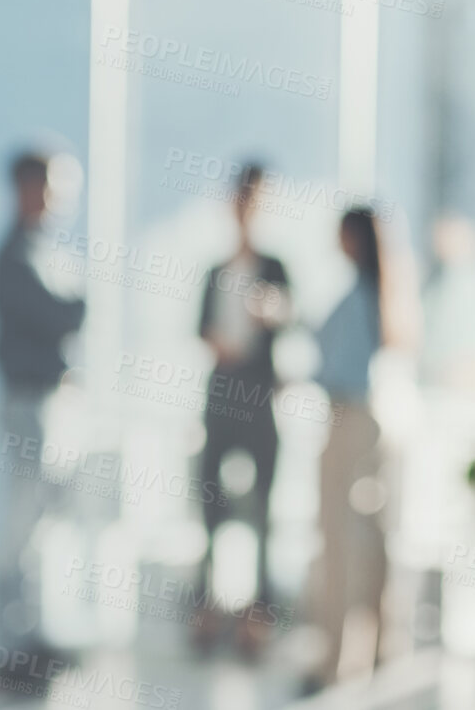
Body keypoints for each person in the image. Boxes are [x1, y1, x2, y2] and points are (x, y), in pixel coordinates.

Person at [0, 150, 85, 666]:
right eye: (46, 187)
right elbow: (56, 316)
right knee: (21, 524)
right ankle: (12, 644)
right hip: (26, 404)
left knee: (44, 522)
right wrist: (73, 308)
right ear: (26, 188)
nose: (53, 199)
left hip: (47, 403)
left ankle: (35, 635)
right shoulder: (14, 256)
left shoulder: (40, 250)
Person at [193, 162, 291, 658]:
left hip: (259, 402)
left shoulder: (275, 268)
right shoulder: (215, 270)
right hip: (220, 398)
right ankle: (207, 611)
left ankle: (258, 616)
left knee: (263, 513)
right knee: (210, 504)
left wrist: (272, 316)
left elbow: (288, 319)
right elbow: (202, 330)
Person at [303, 206, 395, 693]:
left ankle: (334, 660)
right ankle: (376, 649)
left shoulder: (360, 296)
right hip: (365, 420)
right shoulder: (375, 292)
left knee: (338, 539)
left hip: (348, 418)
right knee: (367, 538)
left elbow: (338, 367)